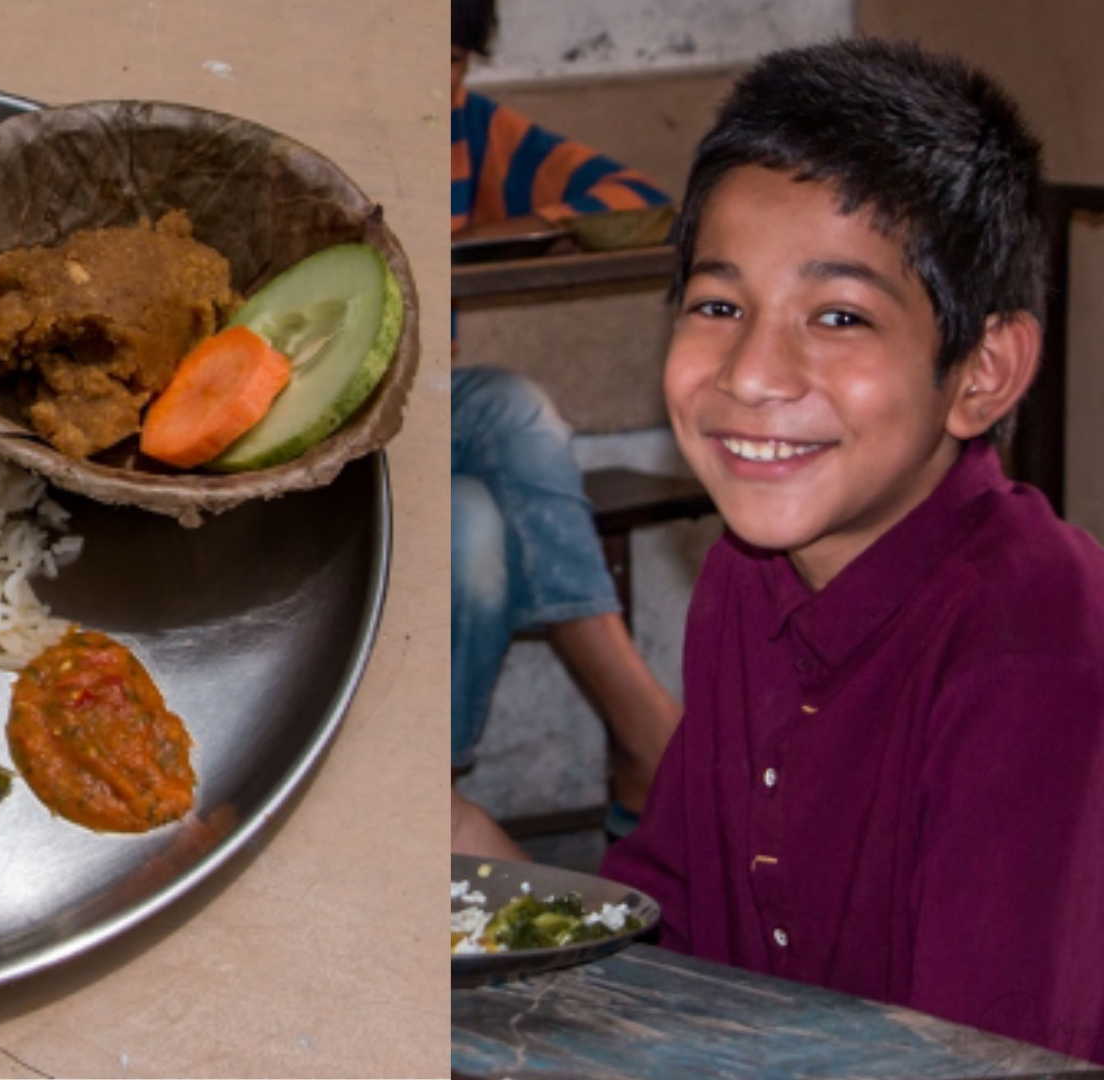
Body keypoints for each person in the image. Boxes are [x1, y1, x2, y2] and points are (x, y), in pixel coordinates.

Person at [466, 36, 1104, 1063]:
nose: (754, 372)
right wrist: (486, 867)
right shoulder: (747, 575)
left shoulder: (1035, 645)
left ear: (983, 371)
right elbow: (672, 906)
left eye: (840, 315)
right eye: (720, 305)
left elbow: (991, 1056)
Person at [450, 0, 681, 835]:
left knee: (514, 412)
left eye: (452, 59)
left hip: (439, 406)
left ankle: (439, 796)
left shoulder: (468, 129)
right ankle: (646, 739)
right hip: (327, 433)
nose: (435, 83)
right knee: (468, 522)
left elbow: (633, 199)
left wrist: (515, 225)